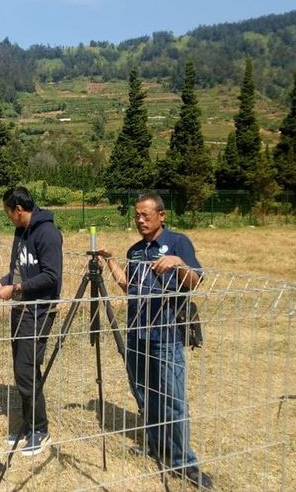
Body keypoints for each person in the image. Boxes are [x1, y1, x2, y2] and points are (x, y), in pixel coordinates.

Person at [98, 193, 213, 489]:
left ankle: (183, 461)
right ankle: (156, 445)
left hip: (166, 334)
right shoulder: (135, 250)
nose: (140, 220)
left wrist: (177, 263)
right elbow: (130, 288)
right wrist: (111, 262)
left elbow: (196, 282)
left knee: (172, 399)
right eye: (136, 215)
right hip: (138, 334)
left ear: (161, 215)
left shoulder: (178, 242)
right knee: (144, 393)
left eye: (145, 215)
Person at [0, 186, 63, 457]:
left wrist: (15, 290)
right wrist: (1, 282)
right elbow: (19, 270)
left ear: (18, 209)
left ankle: (40, 429)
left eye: (7, 211)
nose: (6, 216)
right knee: (24, 370)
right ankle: (29, 424)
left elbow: (51, 276)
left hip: (39, 312)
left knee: (26, 369)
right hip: (21, 310)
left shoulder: (48, 233)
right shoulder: (20, 233)